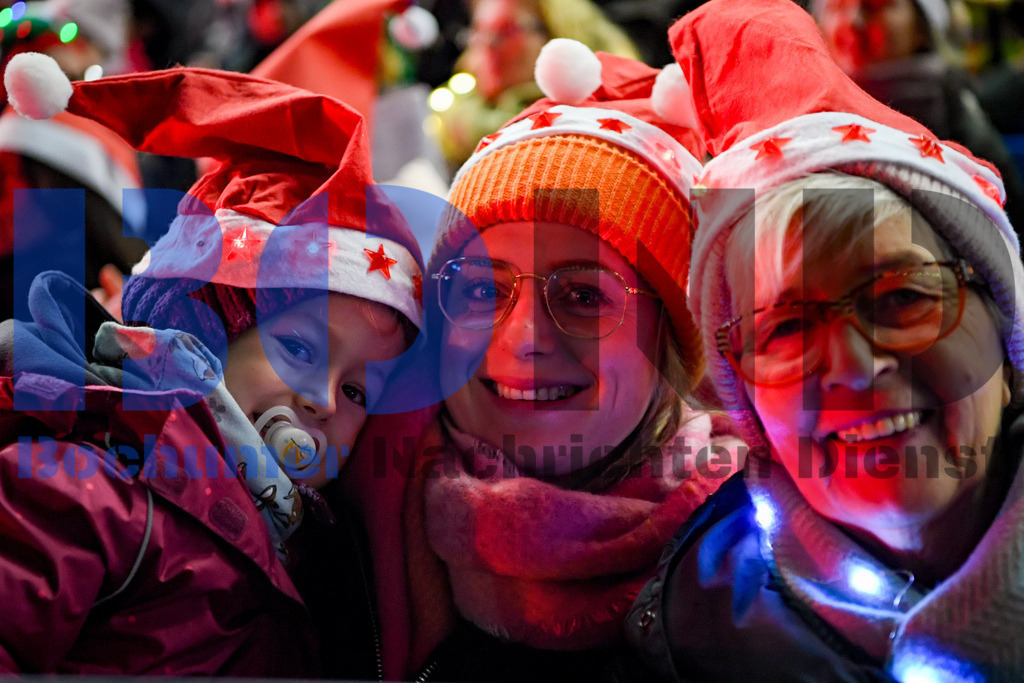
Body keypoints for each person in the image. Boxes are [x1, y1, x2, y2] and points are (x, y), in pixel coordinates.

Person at [627, 0, 1024, 679]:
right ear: (744, 400)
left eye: (901, 296)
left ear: (1005, 331)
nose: (856, 368)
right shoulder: (696, 633)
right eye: (784, 328)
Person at [0, 53, 422, 674]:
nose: (326, 399)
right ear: (206, 326)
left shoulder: (307, 542)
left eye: (359, 392)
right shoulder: (89, 483)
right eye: (301, 350)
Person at [338, 40, 739, 681]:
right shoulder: (342, 506)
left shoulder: (758, 566)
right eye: (482, 291)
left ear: (670, 337)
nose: (524, 335)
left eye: (583, 295)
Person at [809, 0, 1024, 243]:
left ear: (922, 29)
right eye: (838, 7)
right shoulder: (803, 114)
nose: (854, 21)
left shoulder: (954, 111)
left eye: (876, 7)